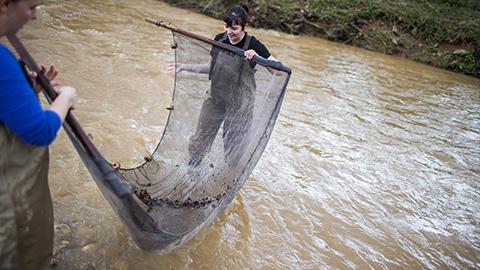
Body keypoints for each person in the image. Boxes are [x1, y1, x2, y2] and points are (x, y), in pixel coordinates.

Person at [0, 0, 78, 269]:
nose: (33, 16)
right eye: (31, 6)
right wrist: (65, 98)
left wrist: (26, 90)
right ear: (4, 5)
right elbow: (39, 130)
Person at [168, 4, 276, 167]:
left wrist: (258, 57)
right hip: (215, 98)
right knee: (200, 139)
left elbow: (278, 70)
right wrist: (184, 67)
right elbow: (211, 67)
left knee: (232, 149)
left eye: (234, 28)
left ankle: (226, 176)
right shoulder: (220, 39)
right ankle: (193, 169)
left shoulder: (254, 44)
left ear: (244, 27)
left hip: (240, 105)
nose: (229, 32)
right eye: (226, 26)